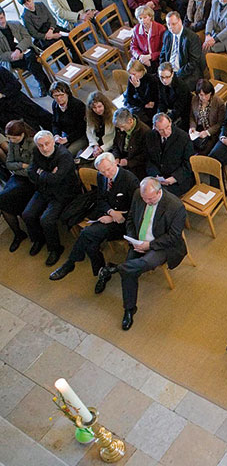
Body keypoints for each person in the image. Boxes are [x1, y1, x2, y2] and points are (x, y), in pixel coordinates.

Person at [97, 177, 187, 330]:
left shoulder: (175, 206)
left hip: (160, 245)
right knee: (130, 270)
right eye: (144, 198)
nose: (146, 202)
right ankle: (129, 309)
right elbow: (131, 219)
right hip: (139, 241)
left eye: (150, 199)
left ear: (159, 192)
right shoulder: (139, 194)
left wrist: (149, 245)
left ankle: (114, 269)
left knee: (142, 264)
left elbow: (174, 236)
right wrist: (133, 240)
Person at [49, 151, 139, 286]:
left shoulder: (130, 180)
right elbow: (100, 199)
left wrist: (116, 216)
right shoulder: (101, 177)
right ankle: (102, 273)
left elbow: (137, 209)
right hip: (108, 216)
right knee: (91, 245)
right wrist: (109, 212)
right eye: (103, 172)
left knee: (87, 233)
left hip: (125, 222)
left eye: (109, 169)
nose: (107, 174)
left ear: (115, 162)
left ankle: (70, 263)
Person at [23, 129, 81, 265]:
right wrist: (47, 175)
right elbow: (31, 172)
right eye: (41, 145)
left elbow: (57, 179)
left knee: (46, 220)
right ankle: (38, 239)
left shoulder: (64, 156)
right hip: (43, 190)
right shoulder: (37, 152)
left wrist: (41, 173)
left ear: (53, 142)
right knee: (27, 214)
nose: (44, 148)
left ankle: (55, 249)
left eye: (47, 144)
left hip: (61, 193)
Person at [0, 120, 35, 252]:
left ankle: (25, 233)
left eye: (14, 138)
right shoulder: (13, 143)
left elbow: (31, 171)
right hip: (18, 178)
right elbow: (9, 163)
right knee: (3, 200)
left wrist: (17, 167)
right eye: (9, 138)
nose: (11, 141)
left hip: (30, 181)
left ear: (22, 134)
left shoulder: (33, 144)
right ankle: (18, 233)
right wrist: (21, 165)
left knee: (7, 198)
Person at [0, 9, 51, 96]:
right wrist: (14, 55)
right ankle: (46, 83)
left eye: (1, 18)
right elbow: (1, 55)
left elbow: (27, 38)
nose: (1, 21)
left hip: (25, 50)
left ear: (4, 15)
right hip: (13, 58)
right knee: (31, 60)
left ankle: (42, 83)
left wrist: (19, 49)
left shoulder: (16, 24)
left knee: (29, 57)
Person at [144, 112, 194, 197]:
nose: (166, 132)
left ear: (170, 123)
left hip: (178, 179)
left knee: (159, 195)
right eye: (161, 130)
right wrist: (156, 175)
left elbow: (188, 163)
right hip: (158, 177)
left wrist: (174, 178)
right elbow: (148, 159)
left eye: (167, 127)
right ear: (155, 128)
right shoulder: (150, 136)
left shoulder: (183, 137)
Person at [0, 64, 52, 136]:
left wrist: (3, 94)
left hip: (20, 101)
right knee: (30, 131)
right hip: (7, 113)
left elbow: (16, 85)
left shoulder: (1, 70)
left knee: (46, 118)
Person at [159, 10, 204, 90]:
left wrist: (176, 75)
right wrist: (163, 70)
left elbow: (193, 63)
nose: (171, 27)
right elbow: (163, 55)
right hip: (169, 71)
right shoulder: (167, 34)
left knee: (177, 89)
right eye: (168, 24)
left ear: (180, 21)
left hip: (186, 73)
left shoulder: (192, 38)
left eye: (173, 24)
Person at [111, 107, 150, 179]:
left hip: (136, 164)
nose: (121, 130)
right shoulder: (119, 127)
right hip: (122, 158)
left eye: (122, 126)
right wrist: (116, 157)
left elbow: (145, 155)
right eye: (119, 127)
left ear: (130, 121)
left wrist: (128, 162)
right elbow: (116, 145)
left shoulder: (145, 132)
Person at [189, 79, 225, 155]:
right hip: (199, 129)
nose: (204, 98)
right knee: (188, 147)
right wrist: (192, 127)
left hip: (212, 132)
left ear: (211, 93)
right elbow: (192, 116)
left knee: (203, 152)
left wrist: (207, 132)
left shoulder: (219, 103)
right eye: (201, 95)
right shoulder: (194, 100)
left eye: (206, 94)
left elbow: (220, 124)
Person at [49, 81, 86, 155]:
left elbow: (82, 128)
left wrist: (67, 139)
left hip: (81, 135)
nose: (59, 98)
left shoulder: (77, 105)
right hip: (66, 134)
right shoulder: (55, 104)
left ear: (67, 94)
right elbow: (55, 123)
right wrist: (56, 135)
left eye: (61, 95)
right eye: (55, 96)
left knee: (67, 153)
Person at [130, 4, 166, 70]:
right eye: (140, 18)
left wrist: (150, 56)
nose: (142, 21)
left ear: (150, 17)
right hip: (142, 58)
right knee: (132, 70)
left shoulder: (161, 29)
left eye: (145, 17)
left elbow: (164, 49)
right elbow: (133, 46)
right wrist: (140, 56)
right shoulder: (136, 29)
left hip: (157, 58)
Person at [156, 61, 190, 130]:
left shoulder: (181, 86)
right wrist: (159, 116)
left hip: (182, 114)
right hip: (170, 111)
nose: (164, 80)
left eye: (167, 77)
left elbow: (179, 108)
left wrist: (166, 119)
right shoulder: (160, 83)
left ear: (172, 74)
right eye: (161, 77)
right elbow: (161, 101)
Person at [84, 91, 116, 158]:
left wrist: (102, 148)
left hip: (109, 145)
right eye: (94, 108)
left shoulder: (113, 115)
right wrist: (95, 145)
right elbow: (89, 131)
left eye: (99, 106)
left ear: (104, 105)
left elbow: (116, 137)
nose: (97, 110)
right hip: (96, 145)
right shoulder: (91, 115)